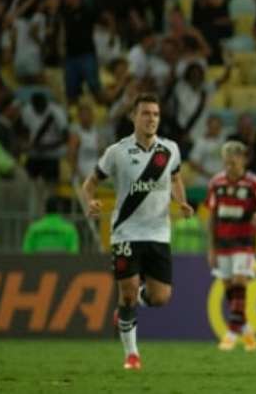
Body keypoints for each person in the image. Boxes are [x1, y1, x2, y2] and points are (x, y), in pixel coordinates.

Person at [81, 93, 194, 370]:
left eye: (155, 114)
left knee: (160, 298)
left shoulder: (170, 150)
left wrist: (182, 201)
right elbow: (90, 183)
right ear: (134, 117)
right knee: (128, 291)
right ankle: (132, 355)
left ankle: (126, 310)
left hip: (158, 234)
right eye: (145, 113)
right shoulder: (117, 151)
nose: (151, 119)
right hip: (126, 233)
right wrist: (90, 201)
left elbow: (176, 177)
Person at [206, 141, 256, 352]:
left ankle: (231, 333)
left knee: (239, 282)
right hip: (223, 242)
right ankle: (246, 328)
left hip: (244, 242)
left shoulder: (254, 184)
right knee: (230, 289)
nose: (230, 167)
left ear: (243, 159)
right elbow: (212, 217)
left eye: (233, 162)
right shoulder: (216, 183)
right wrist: (211, 248)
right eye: (226, 163)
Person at [67, 103, 102, 182]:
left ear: (92, 116)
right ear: (79, 117)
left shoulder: (96, 132)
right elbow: (71, 156)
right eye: (83, 115)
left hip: (95, 174)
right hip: (81, 175)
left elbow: (100, 154)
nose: (86, 117)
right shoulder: (76, 133)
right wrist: (78, 173)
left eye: (88, 115)